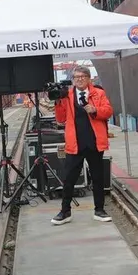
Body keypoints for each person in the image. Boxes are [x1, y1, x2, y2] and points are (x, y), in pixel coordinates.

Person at [51, 66, 114, 225]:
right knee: (69, 178)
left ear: (88, 78)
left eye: (82, 76)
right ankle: (65, 212)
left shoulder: (98, 93)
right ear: (73, 80)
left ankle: (99, 210)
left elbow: (108, 111)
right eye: (76, 77)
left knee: (98, 177)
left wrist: (95, 110)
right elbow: (60, 119)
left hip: (94, 142)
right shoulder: (67, 95)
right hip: (75, 143)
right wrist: (58, 101)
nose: (79, 79)